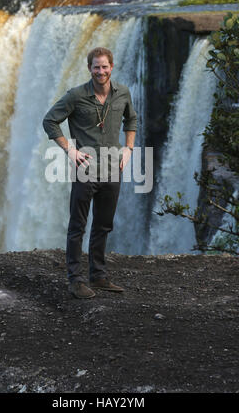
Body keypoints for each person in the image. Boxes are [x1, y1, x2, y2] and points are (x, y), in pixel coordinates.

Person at [43, 47, 137, 299]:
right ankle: (75, 280)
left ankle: (98, 276)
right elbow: (49, 120)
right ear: (90, 69)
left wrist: (128, 148)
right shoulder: (75, 96)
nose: (101, 71)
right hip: (85, 170)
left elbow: (132, 120)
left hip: (112, 169)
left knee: (103, 225)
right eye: (96, 67)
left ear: (112, 67)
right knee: (77, 227)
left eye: (104, 66)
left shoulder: (123, 93)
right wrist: (70, 150)